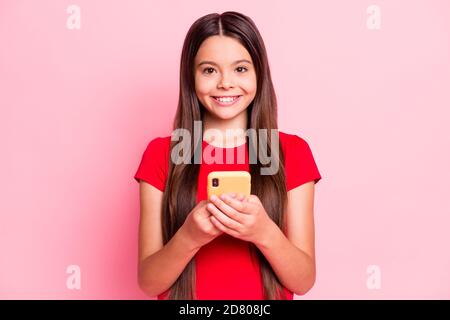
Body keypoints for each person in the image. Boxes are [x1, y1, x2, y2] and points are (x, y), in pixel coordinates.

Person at [134, 11, 322, 300]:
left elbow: (303, 280)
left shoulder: (291, 153)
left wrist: (263, 232)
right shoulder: (162, 155)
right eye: (209, 70)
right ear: (191, 77)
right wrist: (189, 238)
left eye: (241, 69)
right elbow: (149, 282)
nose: (225, 83)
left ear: (260, 72)